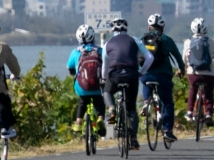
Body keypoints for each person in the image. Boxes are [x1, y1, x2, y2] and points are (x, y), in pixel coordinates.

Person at [102, 18, 151, 151]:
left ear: (113, 29)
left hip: (115, 75)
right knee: (131, 109)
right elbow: (149, 57)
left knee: (107, 92)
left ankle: (111, 109)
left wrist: (104, 79)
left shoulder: (107, 44)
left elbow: (104, 67)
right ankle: (134, 139)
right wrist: (142, 72)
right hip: (131, 76)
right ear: (126, 29)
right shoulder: (135, 40)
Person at [139, 13, 186, 143]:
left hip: (145, 74)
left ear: (149, 27)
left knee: (145, 81)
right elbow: (177, 57)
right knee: (167, 102)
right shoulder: (167, 40)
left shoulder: (142, 38)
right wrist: (182, 69)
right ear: (163, 27)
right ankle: (167, 131)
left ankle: (146, 103)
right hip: (163, 75)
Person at [66, 24, 107, 137]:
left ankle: (78, 122)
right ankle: (100, 118)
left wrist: (73, 72)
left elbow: (69, 67)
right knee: (99, 102)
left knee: (82, 102)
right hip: (98, 87)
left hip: (82, 88)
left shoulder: (75, 52)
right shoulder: (100, 51)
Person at [182, 17, 214, 126]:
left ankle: (190, 112)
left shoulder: (188, 42)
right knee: (209, 93)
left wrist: (185, 69)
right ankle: (208, 113)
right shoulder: (211, 42)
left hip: (193, 73)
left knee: (193, 89)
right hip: (209, 74)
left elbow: (184, 60)